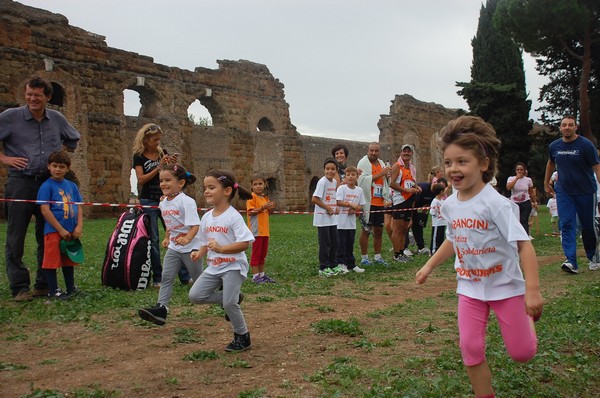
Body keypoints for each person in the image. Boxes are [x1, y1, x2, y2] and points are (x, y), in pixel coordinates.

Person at [415, 116, 543, 398]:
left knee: (522, 353)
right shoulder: (449, 205)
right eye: (448, 163)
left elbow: (524, 246)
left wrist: (531, 292)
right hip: (470, 288)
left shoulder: (497, 204)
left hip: (506, 287)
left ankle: (528, 325)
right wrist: (429, 265)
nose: (453, 169)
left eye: (462, 161)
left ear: (483, 164)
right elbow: (453, 239)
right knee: (470, 348)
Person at [0, 76, 81, 301]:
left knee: (47, 235)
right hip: (20, 182)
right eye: (29, 94)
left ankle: (43, 284)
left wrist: (56, 156)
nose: (32, 99)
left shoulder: (56, 119)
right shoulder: (10, 117)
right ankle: (20, 287)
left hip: (48, 184)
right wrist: (5, 159)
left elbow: (74, 139)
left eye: (37, 95)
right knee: (16, 235)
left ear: (47, 97)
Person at [189, 170, 255, 353]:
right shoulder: (207, 217)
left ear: (226, 191)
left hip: (233, 266)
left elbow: (244, 244)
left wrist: (222, 249)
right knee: (195, 296)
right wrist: (199, 252)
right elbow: (205, 241)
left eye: (211, 187)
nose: (207, 191)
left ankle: (243, 337)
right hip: (214, 266)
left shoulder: (233, 216)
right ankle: (233, 298)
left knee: (228, 304)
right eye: (205, 188)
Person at [138, 164, 203, 326]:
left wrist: (187, 239)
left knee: (200, 282)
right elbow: (169, 223)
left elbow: (195, 225)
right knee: (166, 278)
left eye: (168, 180)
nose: (163, 184)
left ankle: (228, 299)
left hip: (191, 248)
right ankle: (162, 309)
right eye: (161, 181)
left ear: (180, 183)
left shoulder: (187, 201)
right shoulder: (163, 203)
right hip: (175, 247)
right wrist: (168, 237)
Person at [544, 115, 600, 273]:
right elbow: (550, 163)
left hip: (586, 191)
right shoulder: (555, 146)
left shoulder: (585, 145)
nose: (567, 127)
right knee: (566, 224)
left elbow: (596, 166)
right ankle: (571, 261)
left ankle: (594, 257)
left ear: (576, 127)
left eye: (570, 125)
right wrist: (546, 182)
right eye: (564, 125)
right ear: (560, 128)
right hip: (564, 192)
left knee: (588, 226)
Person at [132, 123, 185, 287]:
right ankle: (158, 278)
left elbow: (169, 174)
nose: (157, 142)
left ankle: (185, 276)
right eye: (155, 139)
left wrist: (172, 166)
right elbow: (141, 180)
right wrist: (158, 167)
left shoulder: (163, 152)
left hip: (167, 199)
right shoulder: (139, 156)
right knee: (154, 240)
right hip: (149, 200)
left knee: (177, 234)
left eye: (159, 139)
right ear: (146, 139)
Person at [36, 151, 83, 299]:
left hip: (70, 231)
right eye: (55, 166)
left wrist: (78, 226)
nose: (58, 169)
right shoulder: (46, 186)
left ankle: (70, 288)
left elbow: (79, 207)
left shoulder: (72, 186)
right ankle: (53, 290)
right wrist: (60, 229)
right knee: (52, 261)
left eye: (61, 166)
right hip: (53, 231)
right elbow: (45, 210)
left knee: (68, 260)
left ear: (67, 168)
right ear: (49, 166)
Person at [357, 142, 391, 266]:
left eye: (376, 151)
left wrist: (387, 176)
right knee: (366, 230)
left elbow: (386, 181)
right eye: (371, 150)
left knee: (379, 230)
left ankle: (378, 256)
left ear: (379, 152)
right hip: (368, 202)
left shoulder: (382, 163)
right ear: (368, 150)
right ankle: (364, 257)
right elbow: (361, 180)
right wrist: (382, 174)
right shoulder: (363, 163)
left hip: (379, 202)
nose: (373, 153)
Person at [389, 144, 420, 263]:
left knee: (404, 229)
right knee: (397, 229)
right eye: (404, 151)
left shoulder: (412, 167)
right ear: (401, 153)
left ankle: (402, 252)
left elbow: (411, 182)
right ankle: (396, 254)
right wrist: (406, 190)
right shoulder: (397, 166)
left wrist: (416, 187)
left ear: (412, 153)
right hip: (399, 201)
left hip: (410, 200)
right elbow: (392, 184)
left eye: (409, 151)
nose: (406, 153)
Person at [312, 158, 342, 277]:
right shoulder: (322, 182)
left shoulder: (334, 182)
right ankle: (323, 268)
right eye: (327, 169)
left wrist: (335, 207)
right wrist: (327, 208)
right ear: (324, 170)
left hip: (332, 218)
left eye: (332, 169)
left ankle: (333, 265)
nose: (330, 171)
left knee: (335, 242)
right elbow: (315, 199)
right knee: (325, 244)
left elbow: (331, 197)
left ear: (336, 170)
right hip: (322, 218)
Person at [335, 166, 366, 273]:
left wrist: (355, 209)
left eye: (353, 175)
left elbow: (361, 205)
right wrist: (350, 204)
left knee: (350, 243)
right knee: (341, 244)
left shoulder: (359, 190)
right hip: (341, 222)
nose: (351, 177)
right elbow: (338, 201)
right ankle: (341, 263)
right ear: (345, 177)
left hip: (351, 223)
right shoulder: (341, 188)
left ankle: (351, 264)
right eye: (348, 175)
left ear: (357, 177)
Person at [246, 173, 276, 283]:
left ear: (265, 185)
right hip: (256, 231)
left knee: (263, 254)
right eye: (255, 184)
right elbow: (250, 212)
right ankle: (255, 276)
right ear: (251, 186)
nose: (258, 186)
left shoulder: (264, 198)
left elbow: (267, 212)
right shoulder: (251, 198)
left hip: (265, 231)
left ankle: (262, 275)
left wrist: (271, 208)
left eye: (260, 184)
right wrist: (263, 207)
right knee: (256, 254)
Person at [506, 162, 537, 235]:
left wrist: (534, 202)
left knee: (524, 220)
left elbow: (531, 192)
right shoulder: (511, 178)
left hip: (525, 202)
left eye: (521, 169)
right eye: (518, 169)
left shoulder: (528, 180)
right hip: (514, 203)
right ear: (515, 171)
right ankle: (515, 236)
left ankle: (525, 237)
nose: (519, 171)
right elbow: (508, 187)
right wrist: (517, 178)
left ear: (524, 171)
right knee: (515, 221)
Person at [429, 181, 447, 255]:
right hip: (437, 223)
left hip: (443, 222)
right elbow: (432, 212)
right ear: (440, 192)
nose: (444, 192)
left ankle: (440, 251)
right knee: (435, 238)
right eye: (443, 191)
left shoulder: (442, 201)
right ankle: (433, 251)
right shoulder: (435, 201)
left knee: (441, 238)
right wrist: (436, 212)